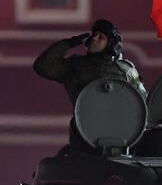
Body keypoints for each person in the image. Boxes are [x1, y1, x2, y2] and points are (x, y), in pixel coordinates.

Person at [33, 18, 148, 153]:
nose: (94, 39)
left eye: (101, 37)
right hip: (84, 136)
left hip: (120, 136)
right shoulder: (75, 66)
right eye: (93, 35)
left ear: (111, 43)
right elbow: (43, 66)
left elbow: (142, 103)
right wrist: (67, 44)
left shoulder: (125, 69)